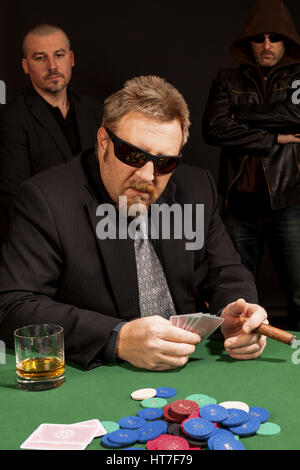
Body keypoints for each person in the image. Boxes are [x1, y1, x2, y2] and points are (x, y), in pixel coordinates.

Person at [0, 75, 267, 371]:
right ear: (103, 142)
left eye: (165, 162)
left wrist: (237, 311)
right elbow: (13, 304)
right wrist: (118, 338)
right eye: (133, 155)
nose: (148, 176)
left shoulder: (196, 186)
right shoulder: (46, 199)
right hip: (100, 377)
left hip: (189, 366)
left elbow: (224, 270)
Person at [202, 0, 300, 331]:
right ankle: (239, 358)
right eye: (260, 38)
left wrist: (241, 114)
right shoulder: (228, 78)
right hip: (239, 205)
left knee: (299, 293)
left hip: (289, 202)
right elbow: (213, 127)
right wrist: (273, 140)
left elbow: (297, 115)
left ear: (287, 40)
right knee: (236, 297)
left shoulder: (298, 78)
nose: (267, 45)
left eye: (275, 37)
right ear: (249, 42)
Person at [0, 24, 103, 247]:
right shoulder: (13, 119)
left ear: (71, 58)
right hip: (47, 243)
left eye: (59, 55)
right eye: (40, 58)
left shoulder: (96, 111)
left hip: (100, 239)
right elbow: (14, 197)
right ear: (26, 66)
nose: (52, 66)